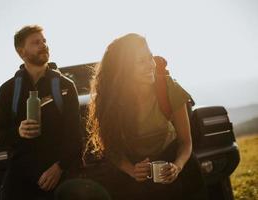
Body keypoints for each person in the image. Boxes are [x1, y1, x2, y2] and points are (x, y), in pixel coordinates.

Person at [85, 33, 206, 200]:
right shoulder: (110, 101)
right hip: (138, 177)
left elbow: (186, 142)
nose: (150, 65)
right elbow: (112, 148)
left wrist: (177, 167)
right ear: (125, 68)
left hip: (178, 170)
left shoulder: (168, 87)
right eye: (141, 61)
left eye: (150, 58)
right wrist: (132, 170)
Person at [0, 25, 82, 200]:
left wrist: (59, 167)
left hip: (58, 177)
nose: (43, 45)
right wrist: (19, 132)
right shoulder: (7, 90)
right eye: (36, 42)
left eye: (44, 41)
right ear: (21, 52)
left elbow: (75, 135)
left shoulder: (65, 86)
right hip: (20, 182)